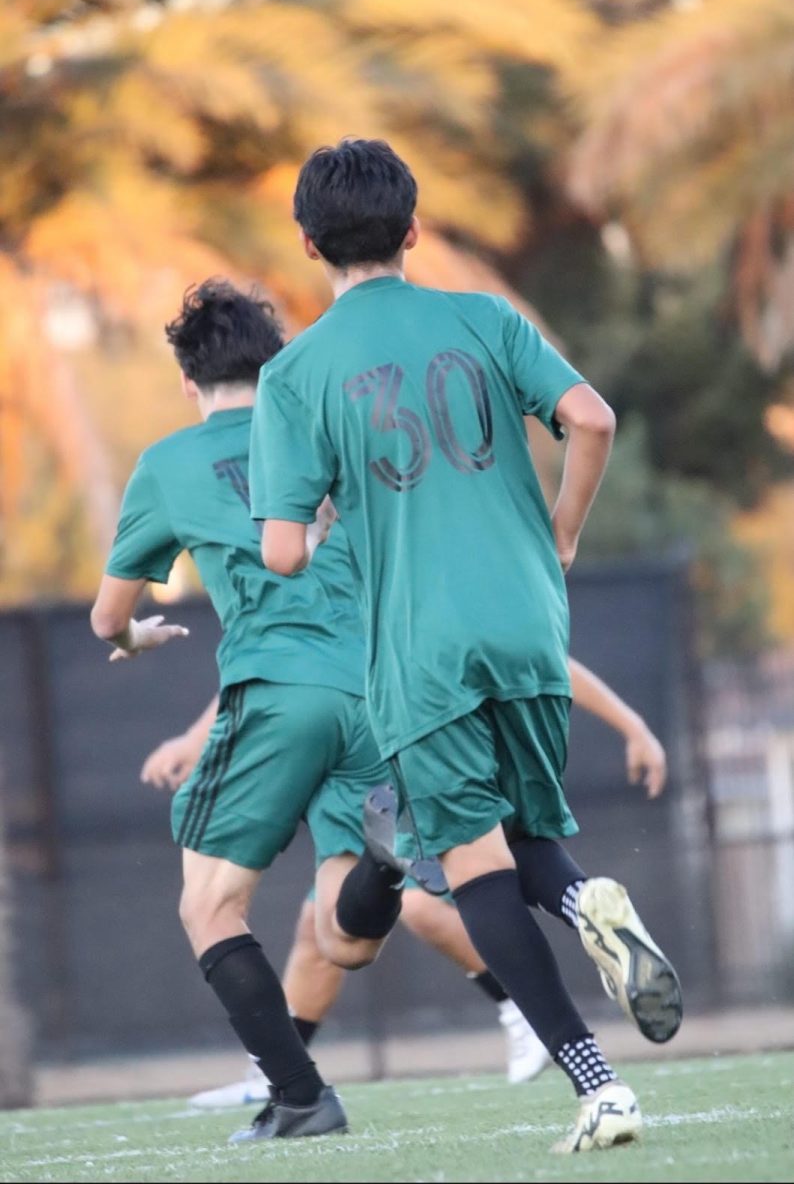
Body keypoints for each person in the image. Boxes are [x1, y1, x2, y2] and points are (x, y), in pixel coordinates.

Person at [249, 138, 682, 1153]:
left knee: (470, 863)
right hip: (530, 622)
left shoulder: (295, 373)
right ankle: (584, 898)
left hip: (421, 650)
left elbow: (277, 553)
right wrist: (561, 530)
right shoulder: (483, 318)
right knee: (519, 836)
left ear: (307, 244)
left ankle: (597, 1083)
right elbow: (590, 417)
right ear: (411, 230)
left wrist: (319, 518)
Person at [90, 280, 413, 1144]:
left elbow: (105, 616)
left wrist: (133, 640)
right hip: (376, 691)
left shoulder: (169, 462)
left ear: (188, 383)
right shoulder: (318, 434)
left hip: (283, 687)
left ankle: (301, 1098)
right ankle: (392, 858)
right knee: (345, 938)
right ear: (276, 368)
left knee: (207, 906)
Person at [140, 663, 668, 1107]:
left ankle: (528, 1011)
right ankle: (275, 1073)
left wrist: (632, 724)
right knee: (320, 930)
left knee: (416, 906)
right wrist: (634, 725)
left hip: (386, 739)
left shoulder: (363, 563)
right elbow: (542, 651)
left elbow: (268, 656)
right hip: (384, 739)